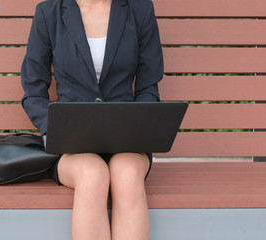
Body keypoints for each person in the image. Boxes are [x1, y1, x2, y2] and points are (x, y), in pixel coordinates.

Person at [21, 0, 163, 239]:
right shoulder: (49, 12)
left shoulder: (140, 10)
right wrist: (54, 130)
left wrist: (139, 128)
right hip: (71, 145)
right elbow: (33, 93)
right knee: (92, 173)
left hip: (127, 140)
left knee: (127, 174)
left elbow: (149, 87)